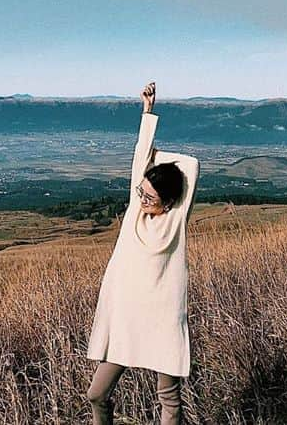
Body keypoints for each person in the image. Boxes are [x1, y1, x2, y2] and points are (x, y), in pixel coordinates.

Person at [85, 81, 200, 425]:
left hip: (162, 321)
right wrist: (147, 112)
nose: (142, 199)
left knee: (170, 402)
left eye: (150, 197)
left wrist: (164, 170)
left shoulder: (175, 220)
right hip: (127, 322)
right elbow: (140, 159)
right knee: (96, 394)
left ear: (169, 201)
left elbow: (190, 168)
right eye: (141, 192)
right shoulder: (136, 211)